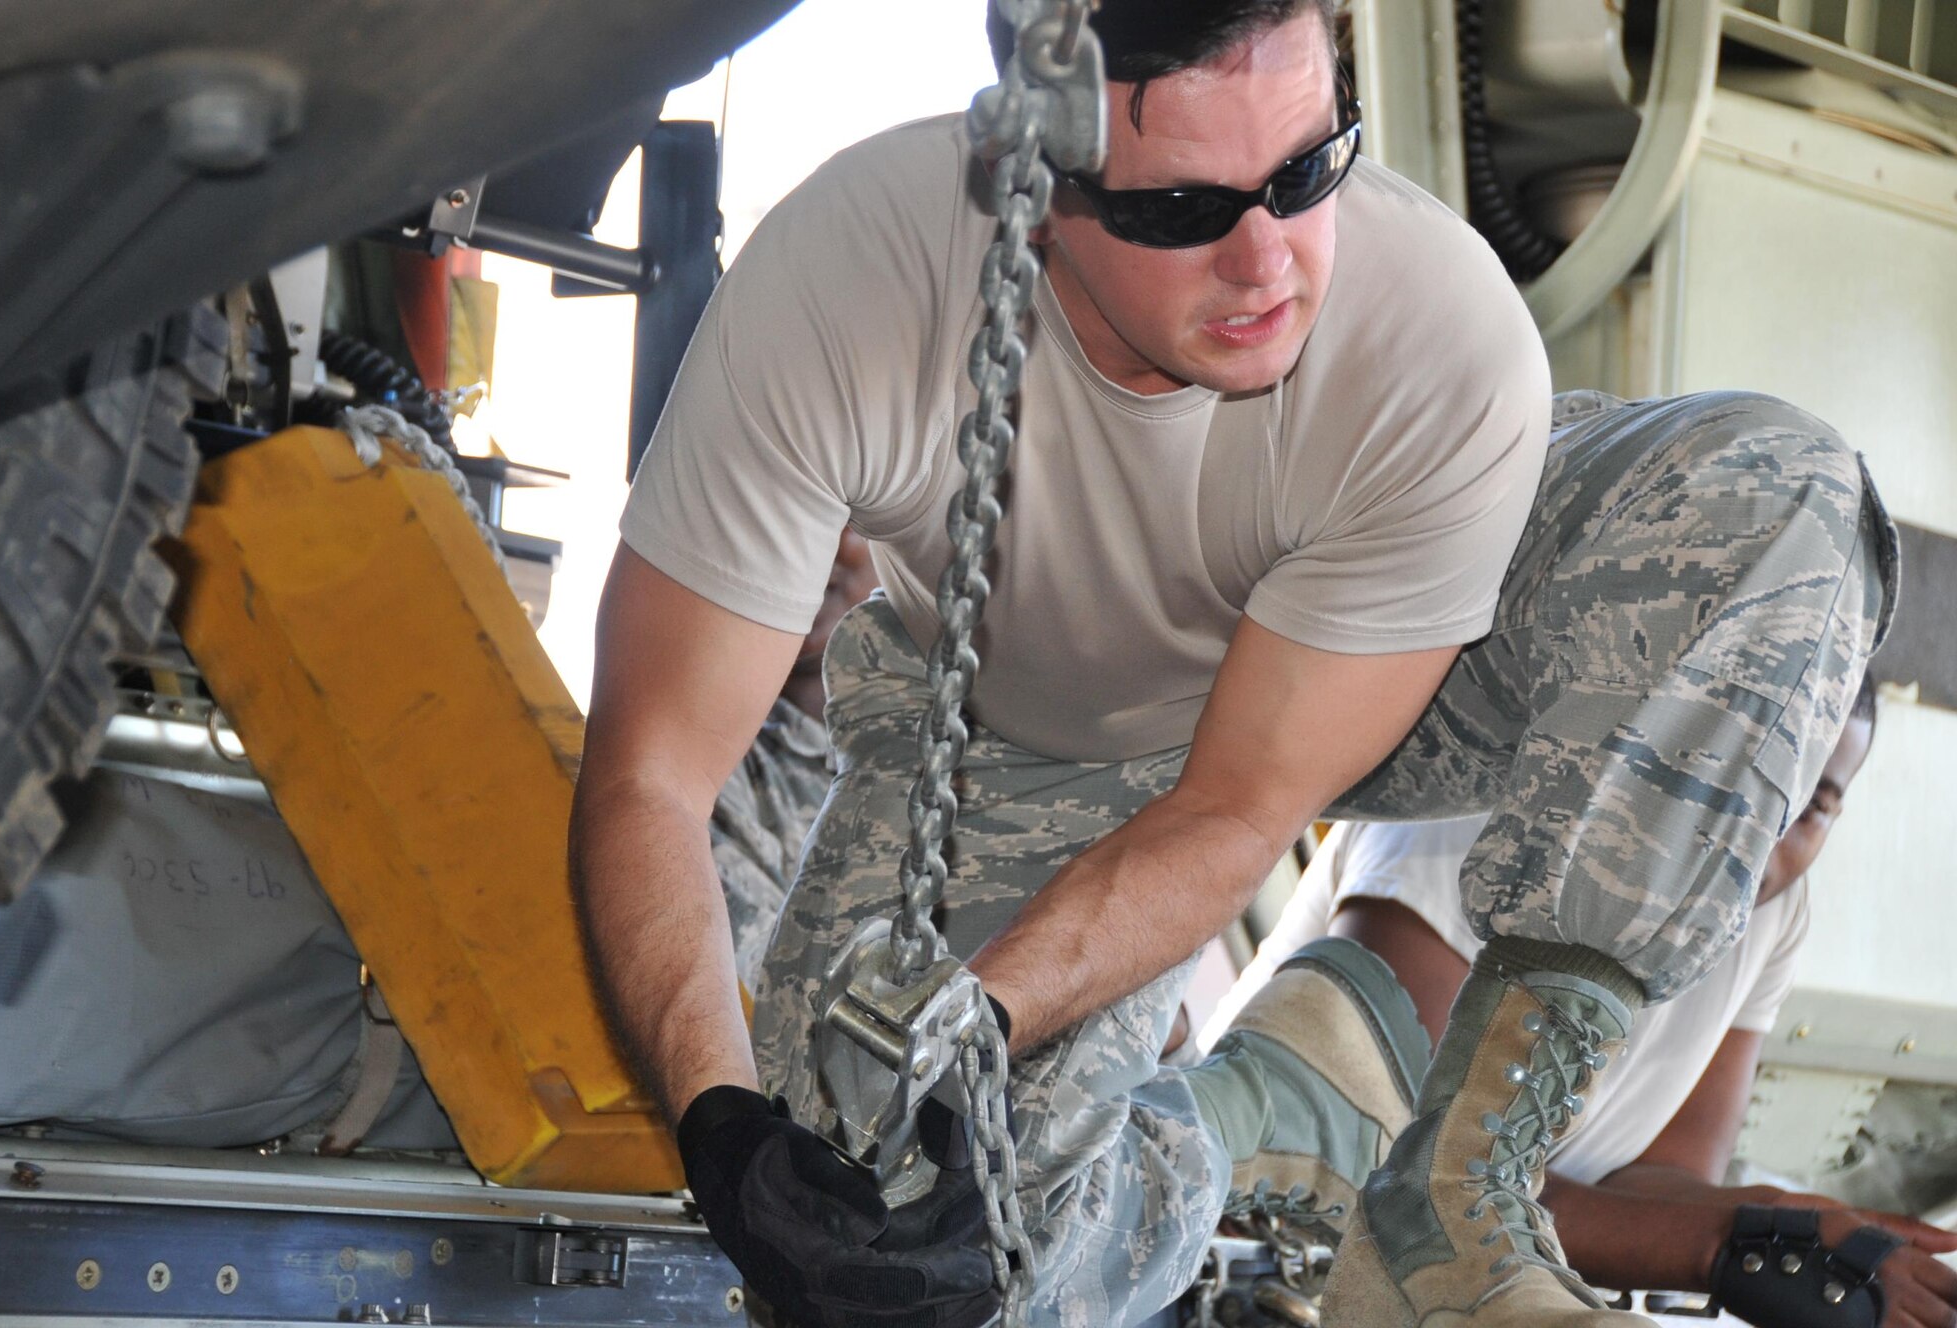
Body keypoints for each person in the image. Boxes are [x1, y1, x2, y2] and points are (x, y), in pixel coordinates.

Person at [569, 3, 1896, 1326]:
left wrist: (977, 1020)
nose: (1269, 263)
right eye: (1184, 208)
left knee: (1770, 495)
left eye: (1308, 173)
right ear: (1029, 192)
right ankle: (1268, 1113)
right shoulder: (843, 288)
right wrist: (720, 1116)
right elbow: (653, 776)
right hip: (1029, 733)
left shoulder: (1435, 331)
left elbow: (1239, 808)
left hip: (1383, 664)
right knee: (892, 1256)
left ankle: (1461, 1195)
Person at [1224, 680, 1957, 1322]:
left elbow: (1648, 1184)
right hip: (1233, 1250)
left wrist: (1801, 1224)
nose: (1763, 843)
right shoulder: (1498, 806)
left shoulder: (1771, 917)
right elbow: (1402, 1167)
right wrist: (1742, 1247)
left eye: (1811, 811)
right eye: (1752, 788)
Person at [711, 531, 880, 988]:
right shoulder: (707, 766)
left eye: (847, 512)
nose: (808, 532)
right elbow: (766, 1008)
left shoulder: (976, 760)